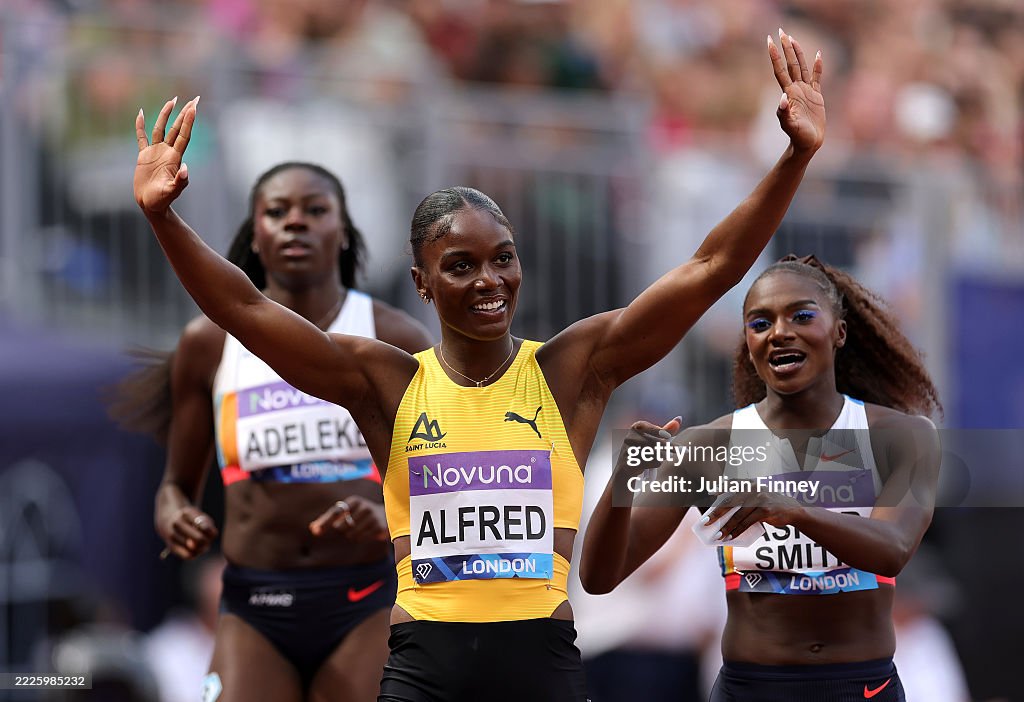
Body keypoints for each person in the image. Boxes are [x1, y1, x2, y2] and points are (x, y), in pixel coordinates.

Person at [132, 29, 825, 702]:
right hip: (421, 669)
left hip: (541, 663)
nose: (490, 280)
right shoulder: (386, 382)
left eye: (503, 258)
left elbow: (710, 269)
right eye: (460, 266)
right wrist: (165, 219)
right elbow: (247, 312)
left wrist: (793, 156)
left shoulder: (569, 370)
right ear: (423, 282)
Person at [117, 159, 433, 702]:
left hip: (368, 598)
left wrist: (385, 517)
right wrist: (174, 514)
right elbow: (175, 487)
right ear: (256, 238)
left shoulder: (394, 337)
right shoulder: (208, 344)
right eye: (277, 212)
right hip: (255, 602)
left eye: (315, 210)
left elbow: (441, 483)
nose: (296, 223)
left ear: (344, 233)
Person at [580, 254, 942, 702]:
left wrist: (791, 509)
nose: (780, 332)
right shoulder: (707, 446)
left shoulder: (901, 436)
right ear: (748, 344)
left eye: (802, 315)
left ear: (840, 332)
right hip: (749, 688)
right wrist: (623, 481)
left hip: (861, 686)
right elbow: (599, 576)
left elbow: (893, 549)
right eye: (759, 323)